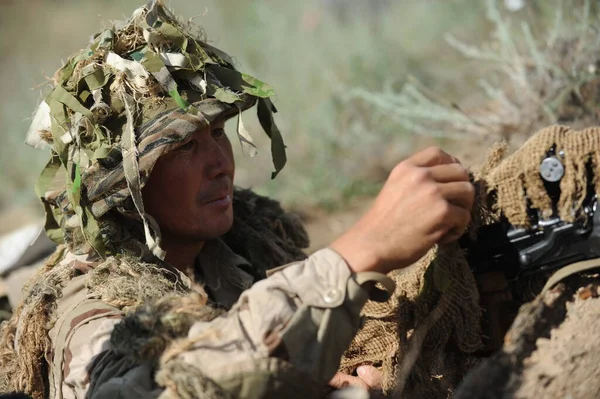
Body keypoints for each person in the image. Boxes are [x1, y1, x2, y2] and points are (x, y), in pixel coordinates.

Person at [0, 2, 474, 398]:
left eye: (220, 133)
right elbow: (157, 389)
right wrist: (356, 255)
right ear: (125, 187)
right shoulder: (88, 304)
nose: (220, 163)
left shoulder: (247, 239)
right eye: (184, 146)